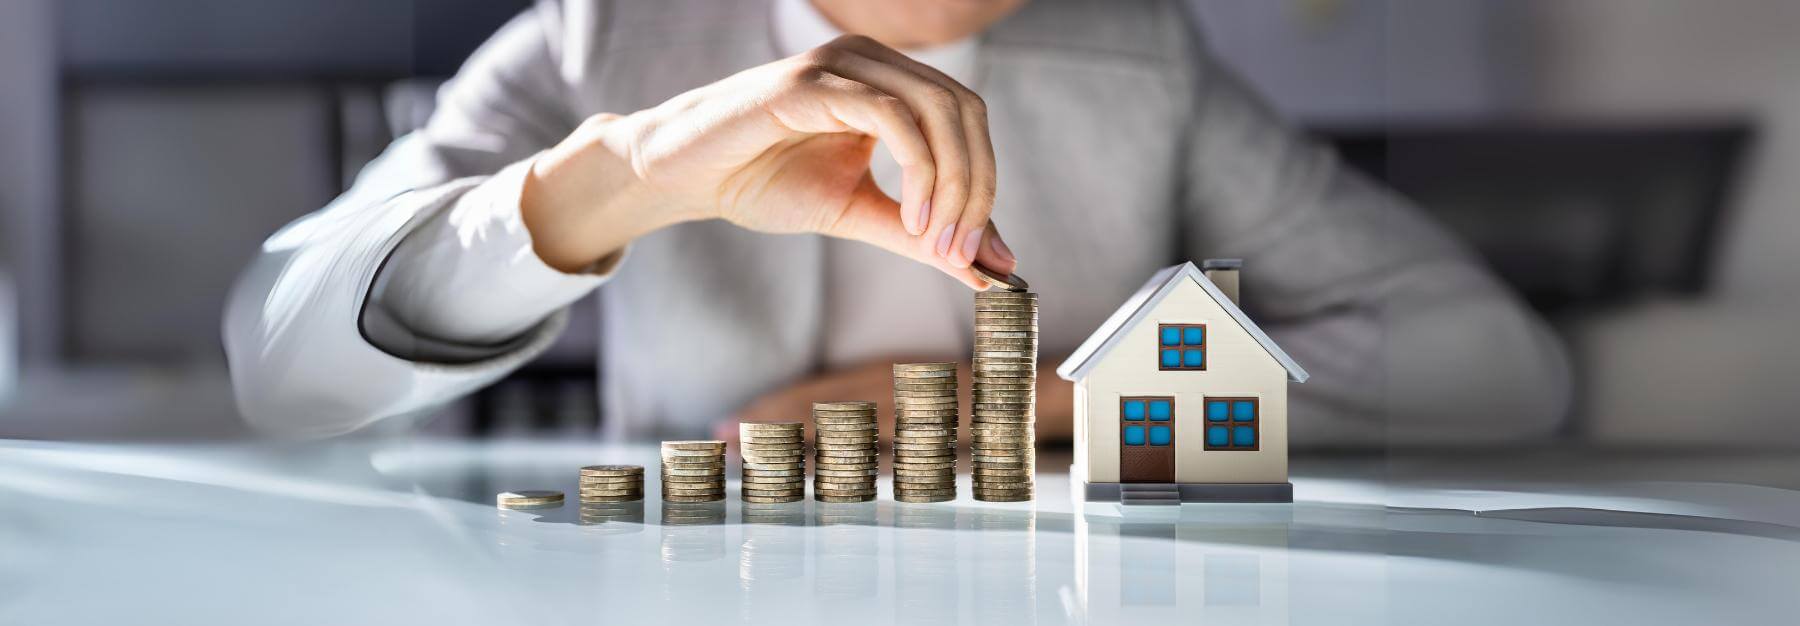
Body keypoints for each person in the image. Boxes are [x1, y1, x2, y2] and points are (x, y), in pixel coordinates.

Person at [224, 0, 1571, 445]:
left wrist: (1049, 405)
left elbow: (1496, 362)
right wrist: (612, 180)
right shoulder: (611, 31)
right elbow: (279, 361)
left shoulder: (1133, 49)